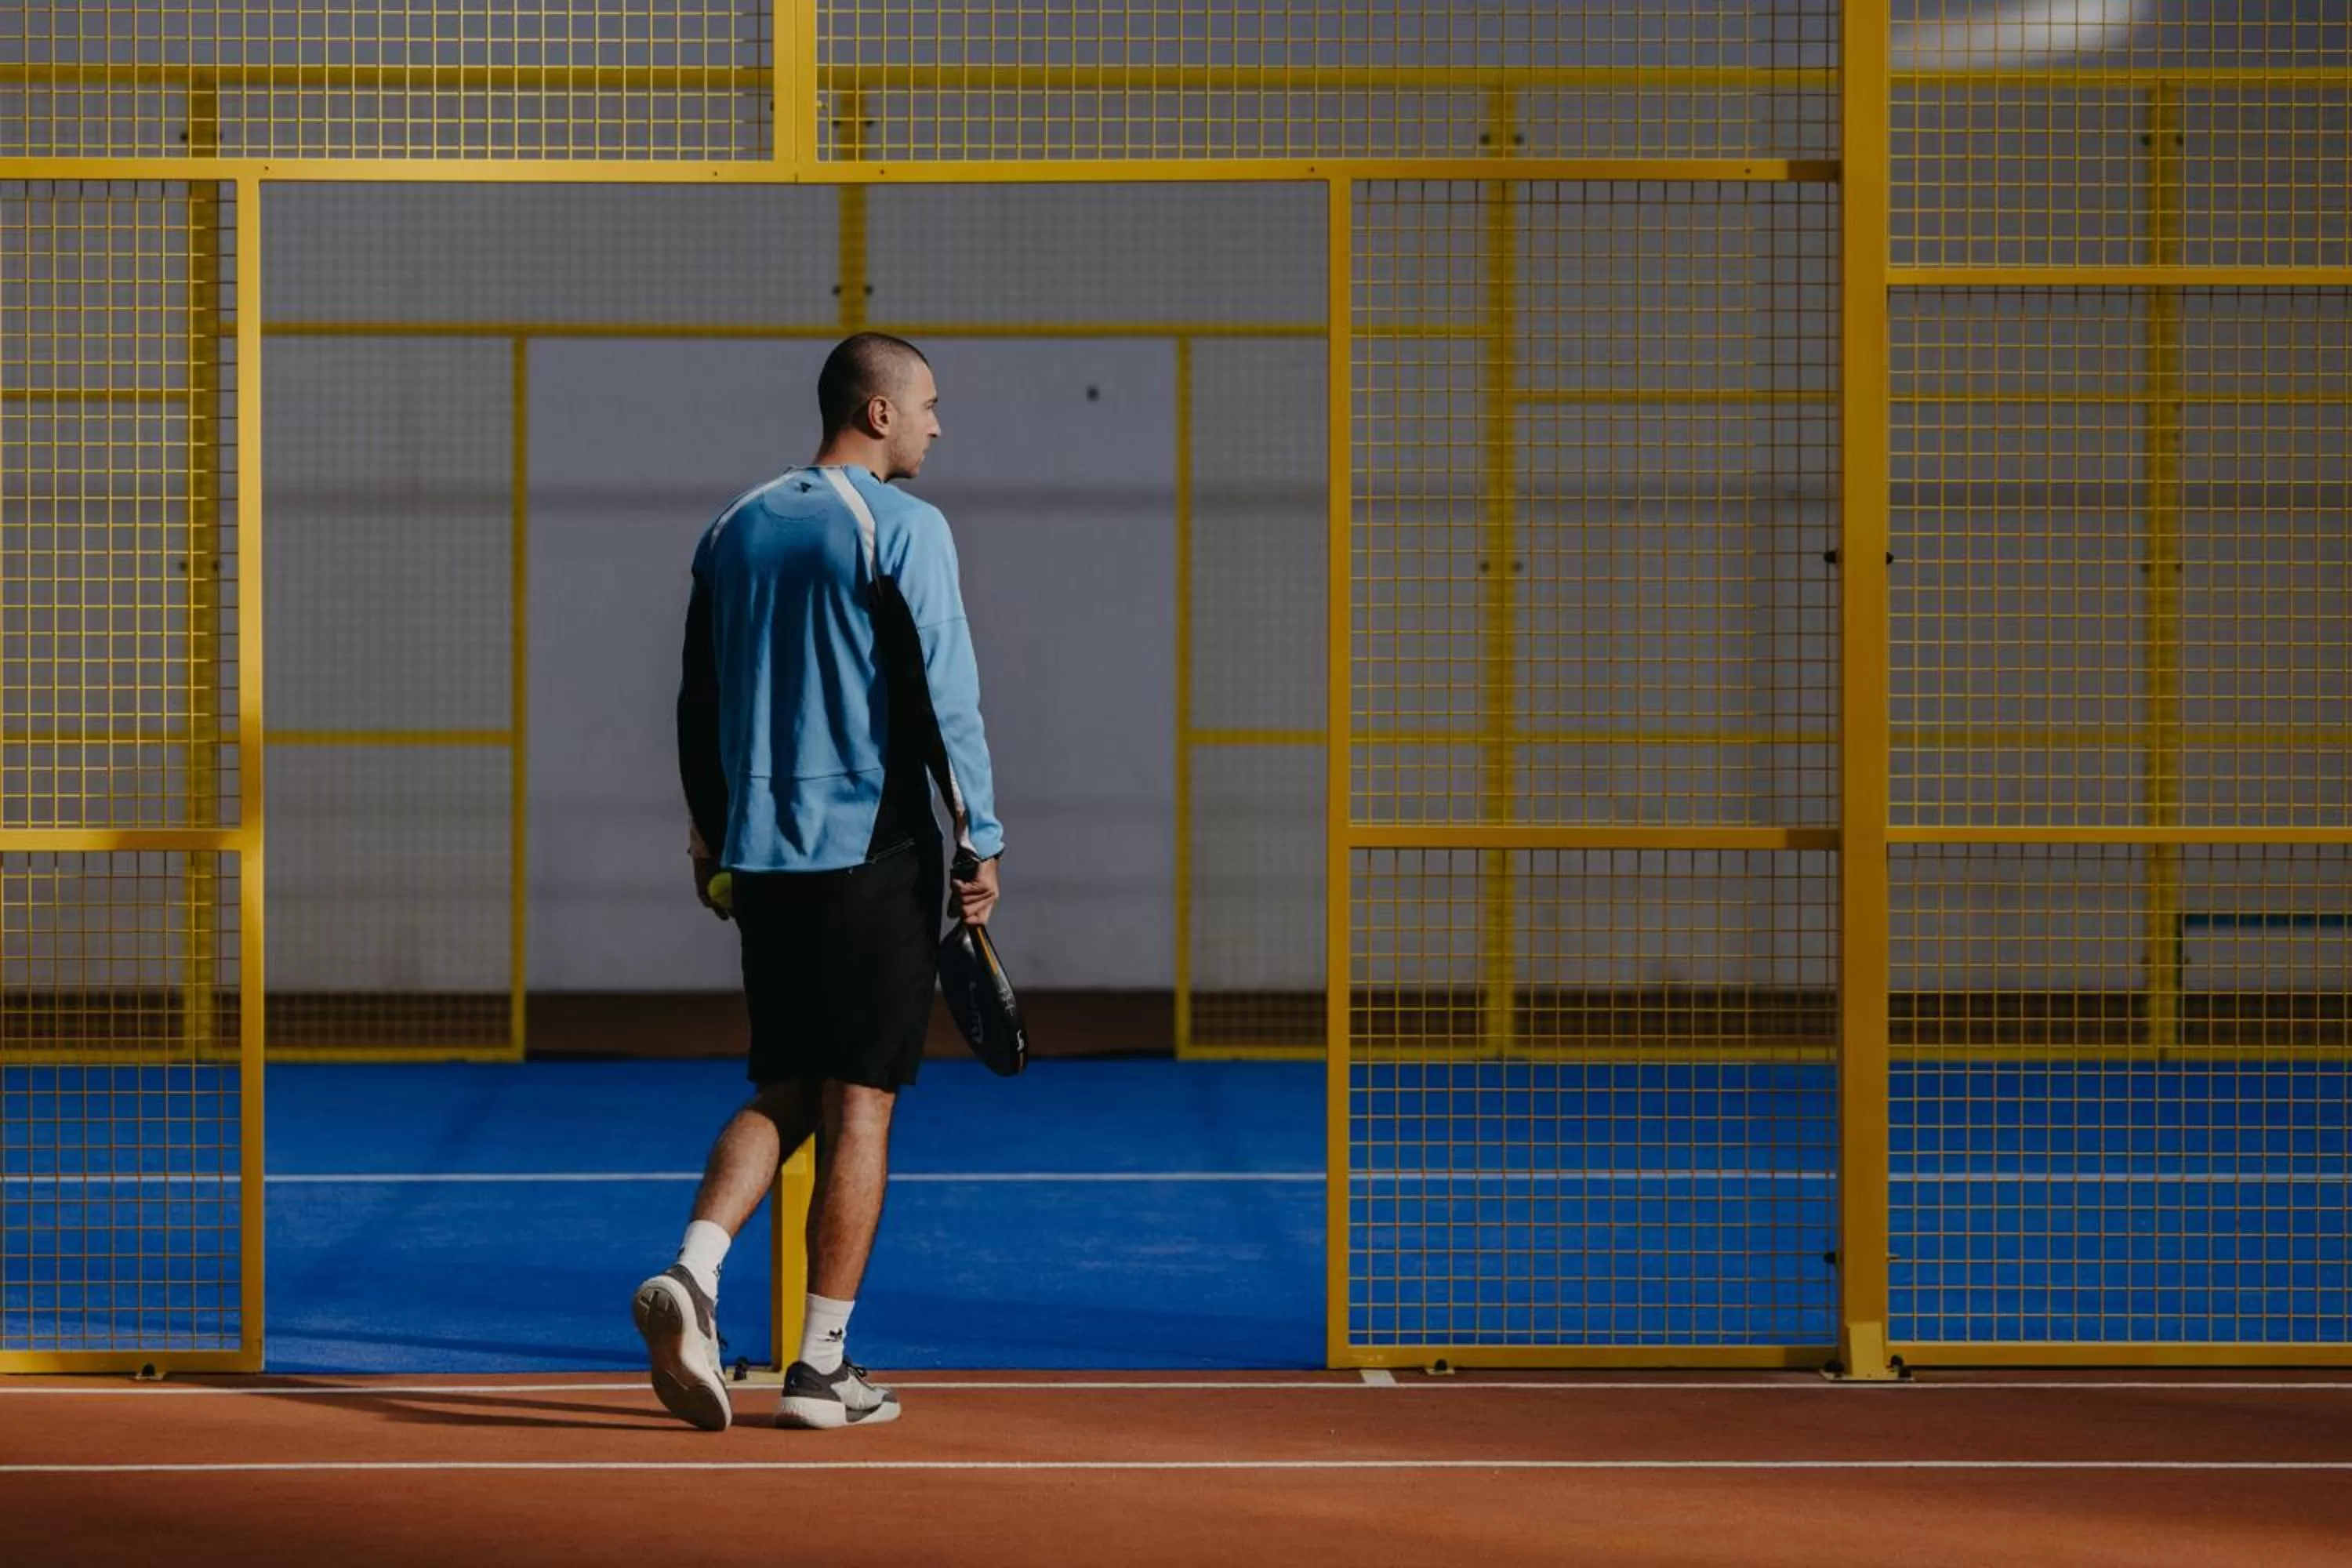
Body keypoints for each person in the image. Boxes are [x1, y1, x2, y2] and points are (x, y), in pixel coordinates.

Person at [635, 332, 1003, 1432]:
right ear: (878, 413)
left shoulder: (734, 527)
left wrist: (712, 838)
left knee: (788, 1086)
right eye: (931, 405)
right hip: (875, 856)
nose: (941, 424)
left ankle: (694, 1275)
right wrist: (978, 840)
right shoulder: (905, 528)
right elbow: (945, 693)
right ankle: (821, 1369)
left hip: (765, 863)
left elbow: (695, 701)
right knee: (862, 1105)